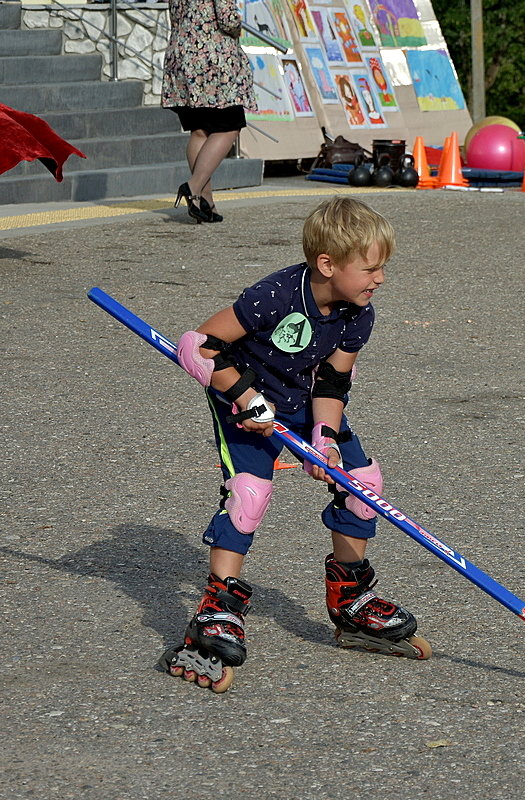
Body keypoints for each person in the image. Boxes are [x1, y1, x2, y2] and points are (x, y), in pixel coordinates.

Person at [160, 197, 428, 693]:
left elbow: (331, 385)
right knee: (250, 493)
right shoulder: (277, 294)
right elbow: (198, 344)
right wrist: (245, 397)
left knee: (362, 483)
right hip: (242, 395)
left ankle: (350, 596)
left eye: (382, 267)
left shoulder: (357, 315)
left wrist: (324, 442)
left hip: (302, 399)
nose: (380, 279)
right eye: (371, 268)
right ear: (328, 264)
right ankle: (217, 607)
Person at [161, 0, 257, 223]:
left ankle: (205, 201)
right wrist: (237, 25)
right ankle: (193, 187)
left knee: (200, 131)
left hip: (182, 56)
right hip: (211, 60)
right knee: (230, 126)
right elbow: (227, 18)